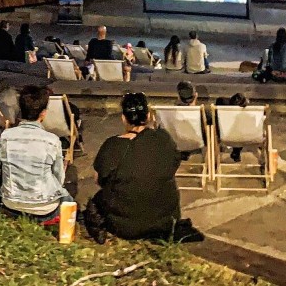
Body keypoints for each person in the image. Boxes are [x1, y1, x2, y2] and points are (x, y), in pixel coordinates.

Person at [84, 92, 202, 244]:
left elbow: (99, 179)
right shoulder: (163, 139)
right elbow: (172, 165)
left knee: (98, 199)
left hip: (125, 226)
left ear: (123, 118)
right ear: (148, 116)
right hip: (165, 222)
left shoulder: (112, 145)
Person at [0, 85, 73, 222]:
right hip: (44, 206)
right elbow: (59, 178)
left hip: (11, 203)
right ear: (43, 113)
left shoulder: (6, 136)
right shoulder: (52, 141)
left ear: (20, 110)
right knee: (67, 197)